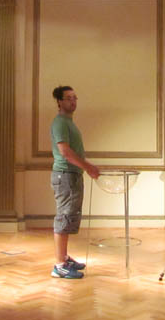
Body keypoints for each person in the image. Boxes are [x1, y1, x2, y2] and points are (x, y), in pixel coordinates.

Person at [49, 85, 100, 279]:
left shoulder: (68, 122)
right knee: (64, 217)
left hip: (72, 175)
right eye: (68, 98)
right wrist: (88, 167)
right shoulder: (60, 123)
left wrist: (84, 168)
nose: (73, 101)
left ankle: (64, 257)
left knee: (69, 216)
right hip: (65, 175)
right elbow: (65, 152)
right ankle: (59, 265)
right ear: (59, 101)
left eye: (75, 98)